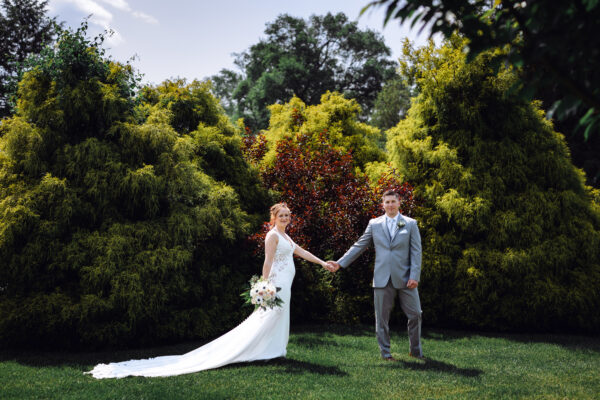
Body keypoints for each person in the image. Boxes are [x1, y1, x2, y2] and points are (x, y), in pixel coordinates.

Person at [86, 202, 334, 378]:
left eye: (288, 215)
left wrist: (324, 263)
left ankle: (275, 350)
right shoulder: (273, 236)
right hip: (276, 283)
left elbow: (301, 253)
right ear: (273, 218)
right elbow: (267, 262)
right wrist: (264, 285)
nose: (286, 218)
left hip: (286, 284)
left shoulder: (288, 237)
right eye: (282, 216)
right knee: (266, 317)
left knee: (277, 317)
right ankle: (259, 351)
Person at [327, 190, 423, 361]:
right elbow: (359, 246)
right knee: (382, 319)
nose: (390, 205)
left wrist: (414, 275)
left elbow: (416, 252)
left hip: (406, 278)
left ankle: (415, 351)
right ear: (382, 204)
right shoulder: (374, 224)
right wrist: (340, 263)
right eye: (387, 202)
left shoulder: (410, 224)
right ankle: (386, 354)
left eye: (393, 201)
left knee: (416, 314)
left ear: (399, 203)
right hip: (382, 278)